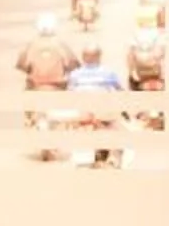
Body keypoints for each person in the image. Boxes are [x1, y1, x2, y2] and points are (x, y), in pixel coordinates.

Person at [16, 13, 74, 160]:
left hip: (36, 86)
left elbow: (22, 65)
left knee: (26, 96)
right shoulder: (61, 45)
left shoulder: (31, 45)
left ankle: (29, 119)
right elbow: (72, 64)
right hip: (58, 86)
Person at [65, 39, 125, 165]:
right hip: (103, 114)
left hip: (82, 115)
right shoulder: (108, 73)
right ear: (99, 57)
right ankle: (116, 160)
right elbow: (121, 91)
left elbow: (69, 95)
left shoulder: (75, 75)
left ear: (83, 57)